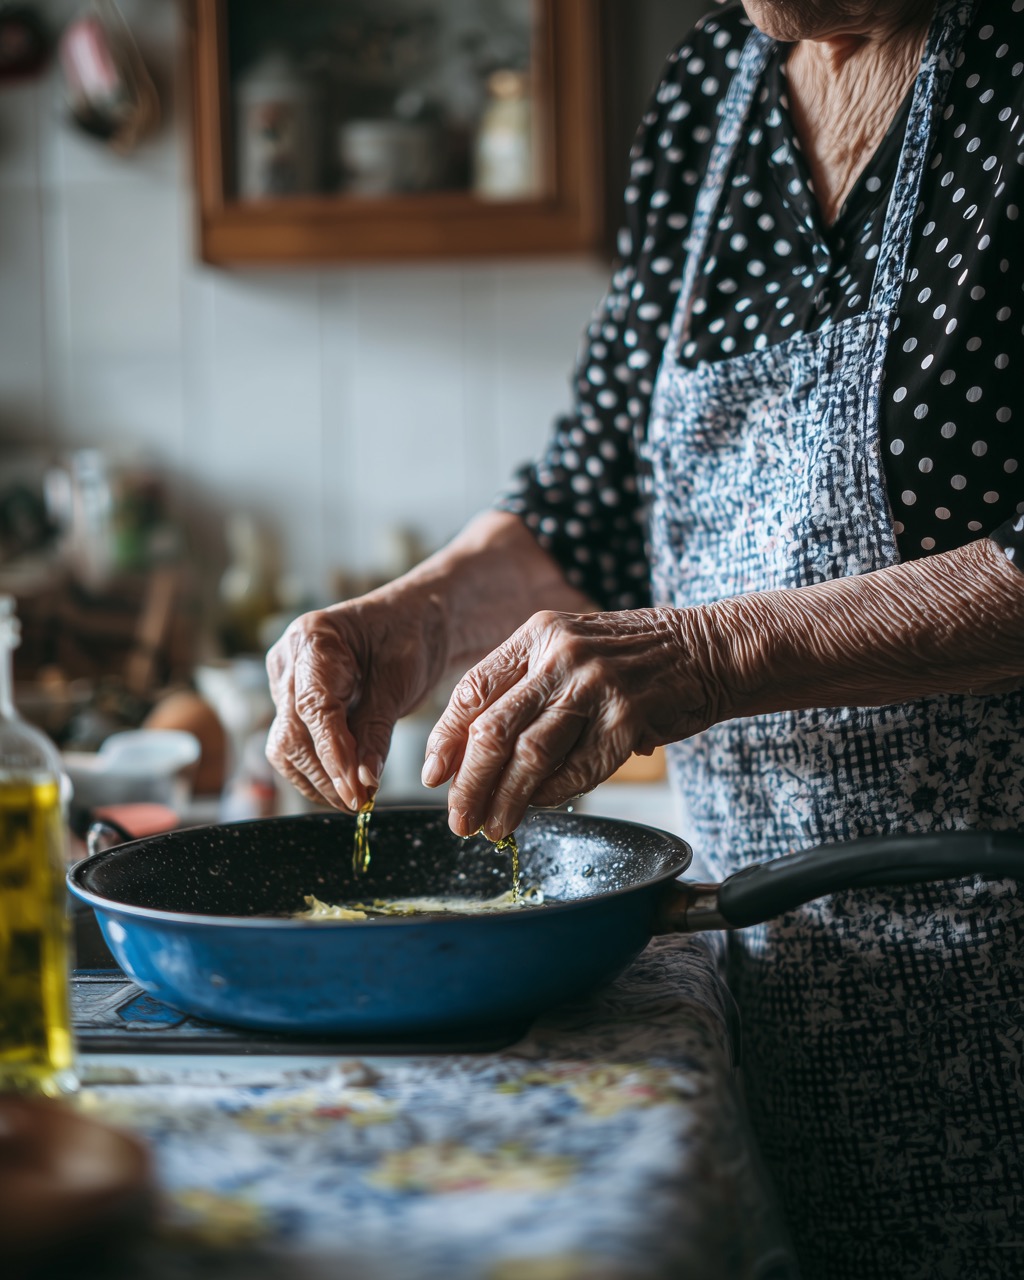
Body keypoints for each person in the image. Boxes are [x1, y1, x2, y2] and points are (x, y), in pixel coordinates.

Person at [266, 1, 1024, 1274]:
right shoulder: (715, 84)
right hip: (768, 952)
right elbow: (594, 496)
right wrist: (414, 615)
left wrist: (712, 653)